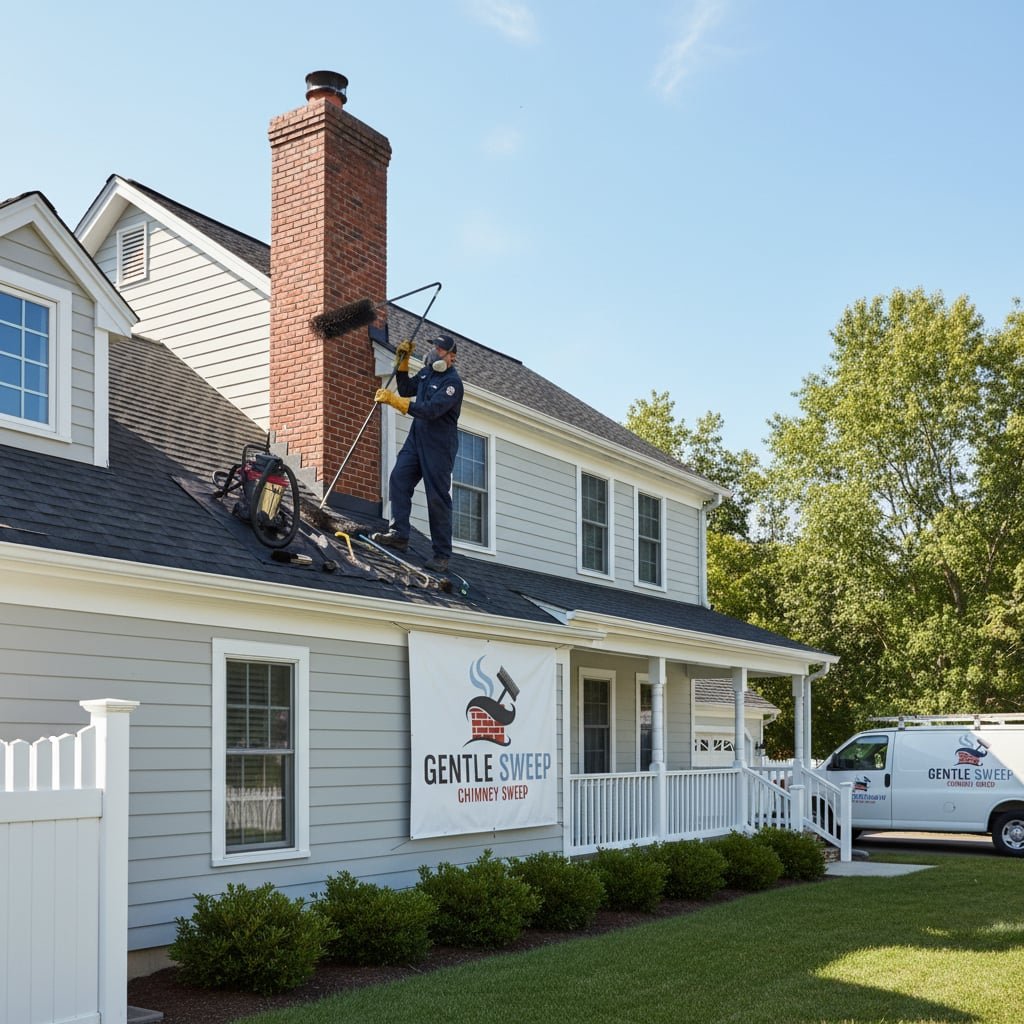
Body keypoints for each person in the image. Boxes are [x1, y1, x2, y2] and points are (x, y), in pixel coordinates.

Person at [372, 334, 463, 572]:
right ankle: (399, 534)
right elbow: (405, 389)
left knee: (436, 497)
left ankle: (441, 555)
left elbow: (431, 410)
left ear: (451, 357)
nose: (433, 352)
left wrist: (396, 403)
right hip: (416, 439)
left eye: (439, 349)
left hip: (439, 446)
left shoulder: (453, 384)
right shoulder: (426, 373)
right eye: (434, 347)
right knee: (399, 479)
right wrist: (402, 363)